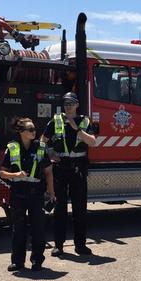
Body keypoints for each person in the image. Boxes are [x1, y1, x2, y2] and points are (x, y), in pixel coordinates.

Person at [41, 92, 97, 257]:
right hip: (61, 168)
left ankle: (80, 245)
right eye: (66, 103)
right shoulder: (56, 120)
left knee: (80, 209)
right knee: (60, 209)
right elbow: (43, 141)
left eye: (71, 103)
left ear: (77, 104)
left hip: (78, 169)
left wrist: (77, 129)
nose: (68, 106)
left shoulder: (85, 121)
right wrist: (50, 154)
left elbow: (93, 142)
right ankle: (58, 245)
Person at [0, 117, 55, 272]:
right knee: (18, 228)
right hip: (18, 193)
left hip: (36, 193)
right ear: (21, 132)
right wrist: (16, 174)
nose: (34, 132)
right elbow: (2, 173)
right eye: (30, 130)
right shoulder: (12, 147)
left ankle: (37, 261)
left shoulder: (41, 148)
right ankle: (17, 262)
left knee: (38, 228)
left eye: (34, 129)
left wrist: (51, 193)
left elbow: (49, 172)